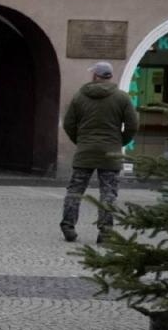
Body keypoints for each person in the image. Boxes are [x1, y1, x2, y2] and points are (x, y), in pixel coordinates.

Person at [60, 60, 139, 243]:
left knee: (75, 191)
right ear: (109, 76)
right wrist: (120, 141)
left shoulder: (80, 96)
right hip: (111, 153)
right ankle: (105, 232)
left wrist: (80, 141)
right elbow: (133, 125)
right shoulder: (122, 98)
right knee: (108, 193)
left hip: (85, 152)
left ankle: (68, 227)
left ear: (95, 75)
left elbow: (69, 124)